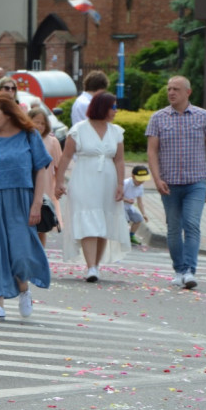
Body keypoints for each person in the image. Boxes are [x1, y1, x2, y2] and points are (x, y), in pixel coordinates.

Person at [0, 94, 52, 322]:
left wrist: (37, 203)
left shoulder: (29, 135)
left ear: (8, 113)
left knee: (20, 253)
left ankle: (24, 290)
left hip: (21, 200)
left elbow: (41, 169)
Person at [146, 76, 206, 289]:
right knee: (174, 228)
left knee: (192, 224)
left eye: (176, 89)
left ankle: (189, 271)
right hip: (169, 184)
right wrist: (157, 179)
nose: (171, 93)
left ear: (188, 92)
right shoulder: (158, 118)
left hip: (195, 182)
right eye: (169, 89)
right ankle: (179, 268)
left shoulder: (203, 117)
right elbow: (152, 151)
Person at [54, 91, 130, 282]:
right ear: (102, 107)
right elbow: (66, 157)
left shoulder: (116, 132)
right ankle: (91, 267)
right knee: (89, 221)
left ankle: (95, 265)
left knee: (103, 221)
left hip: (108, 181)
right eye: (113, 107)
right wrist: (59, 181)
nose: (115, 111)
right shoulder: (78, 130)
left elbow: (119, 160)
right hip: (84, 180)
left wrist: (121, 184)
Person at [28, 105, 63, 247]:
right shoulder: (22, 138)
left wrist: (58, 186)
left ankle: (41, 255)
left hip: (45, 188)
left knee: (41, 226)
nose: (40, 125)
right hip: (28, 185)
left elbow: (59, 166)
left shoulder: (52, 141)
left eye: (43, 123)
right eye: (36, 121)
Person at [123, 165, 151, 245]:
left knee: (138, 218)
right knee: (125, 219)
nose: (141, 182)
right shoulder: (126, 183)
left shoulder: (140, 187)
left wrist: (144, 213)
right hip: (120, 206)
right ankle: (123, 237)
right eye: (139, 180)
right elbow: (116, 196)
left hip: (129, 207)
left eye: (143, 180)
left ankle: (131, 236)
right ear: (133, 176)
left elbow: (139, 201)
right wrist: (126, 200)